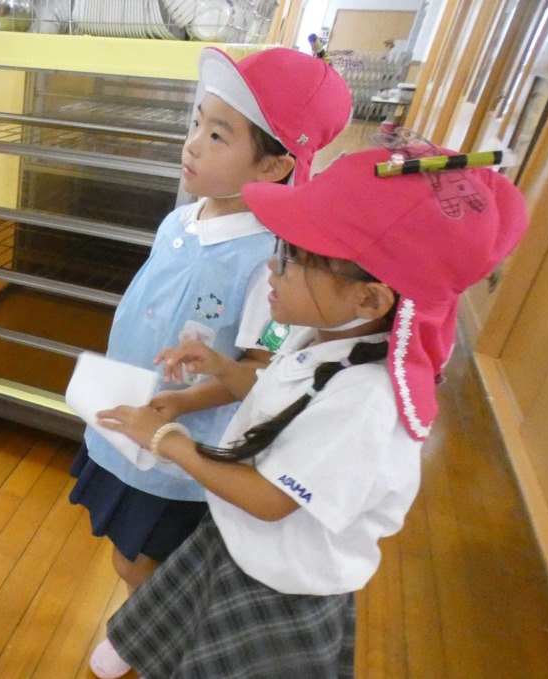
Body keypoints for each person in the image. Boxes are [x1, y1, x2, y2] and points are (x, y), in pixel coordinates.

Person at [91, 144, 528, 677]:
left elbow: (270, 500)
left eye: (292, 260)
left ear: (369, 300)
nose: (271, 269)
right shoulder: (324, 335)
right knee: (175, 622)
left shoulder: (365, 402)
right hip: (239, 542)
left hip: (281, 584)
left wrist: (167, 440)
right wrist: (219, 367)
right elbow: (273, 392)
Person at [67, 46, 352, 678]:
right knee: (125, 552)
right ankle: (142, 634)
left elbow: (258, 371)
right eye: (197, 122)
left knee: (147, 561)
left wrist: (182, 404)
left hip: (181, 446)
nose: (193, 143)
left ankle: (159, 645)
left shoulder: (268, 262)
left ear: (275, 164)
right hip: (132, 421)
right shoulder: (180, 220)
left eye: (218, 135)